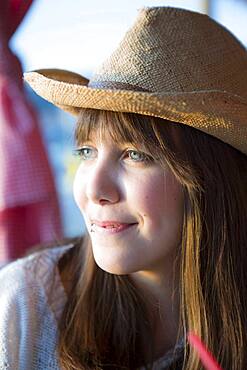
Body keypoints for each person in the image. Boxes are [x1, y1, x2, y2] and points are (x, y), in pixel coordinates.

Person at [0, 6, 247, 370]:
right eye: (87, 151)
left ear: (212, 178)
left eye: (135, 155)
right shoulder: (24, 307)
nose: (94, 189)